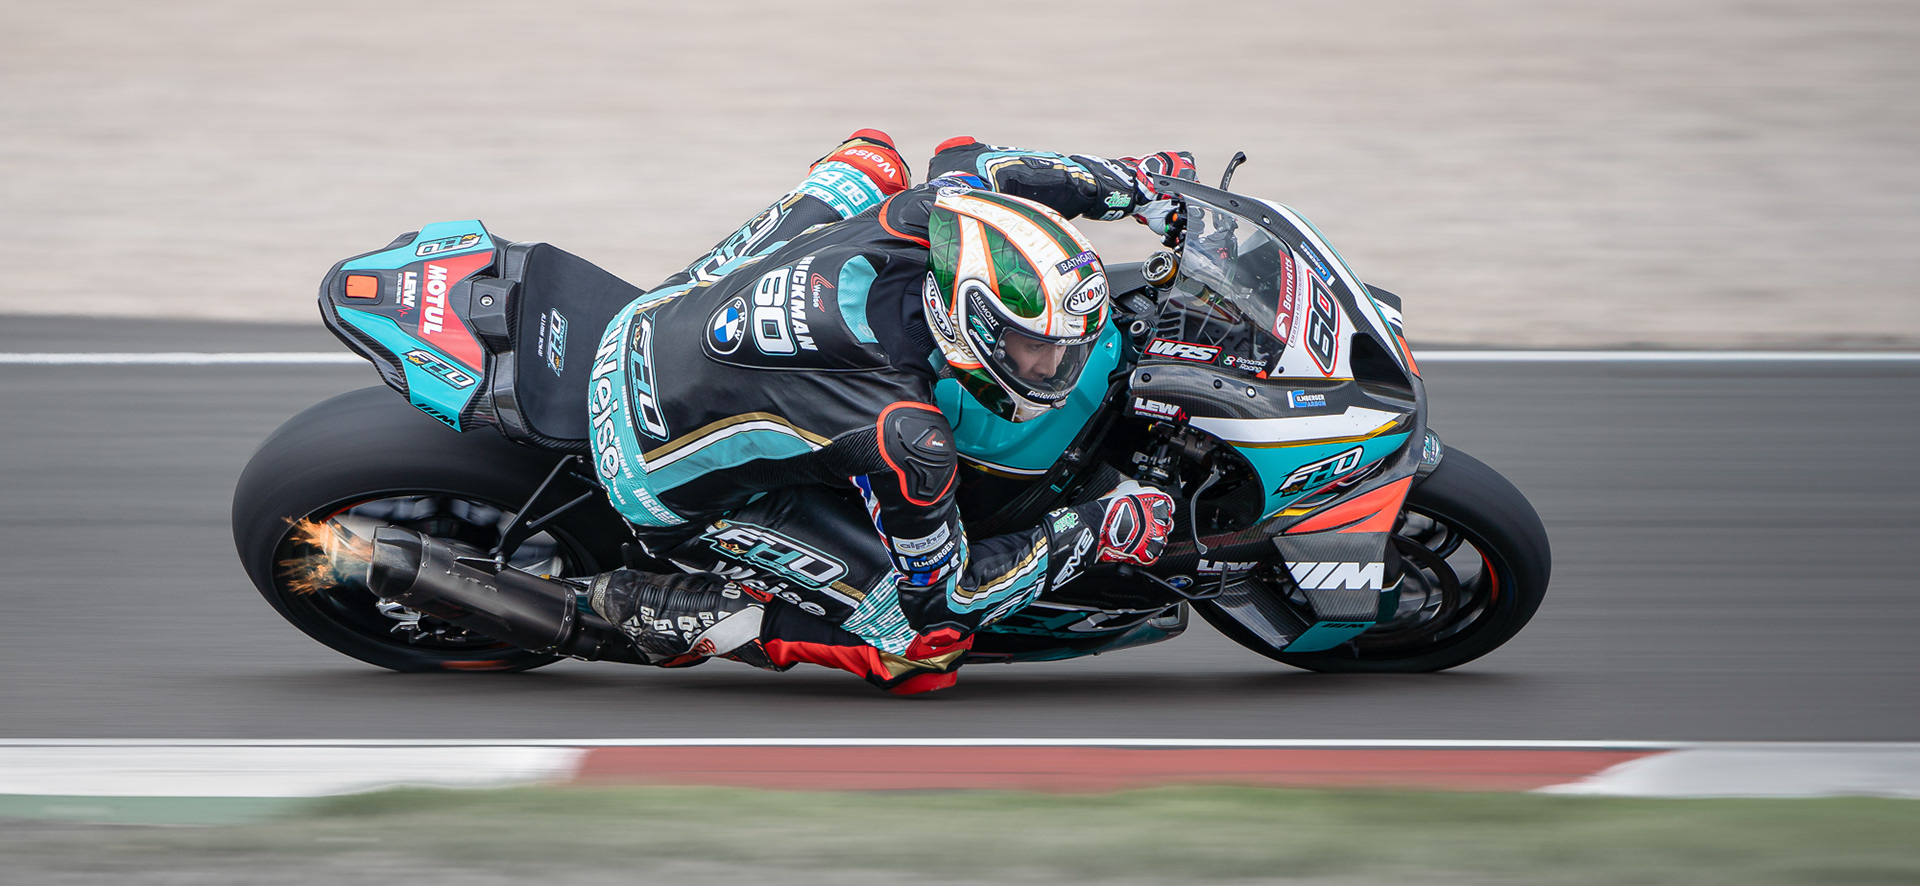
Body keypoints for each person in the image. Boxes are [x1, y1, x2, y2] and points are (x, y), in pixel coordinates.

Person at [582, 131, 1195, 693]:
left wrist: (1130, 184)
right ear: (971, 320)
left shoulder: (928, 215)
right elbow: (949, 599)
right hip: (647, 466)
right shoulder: (907, 435)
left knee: (873, 159)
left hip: (650, 319)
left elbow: (971, 160)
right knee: (922, 649)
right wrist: (1094, 531)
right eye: (1036, 345)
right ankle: (703, 614)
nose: (1054, 366)